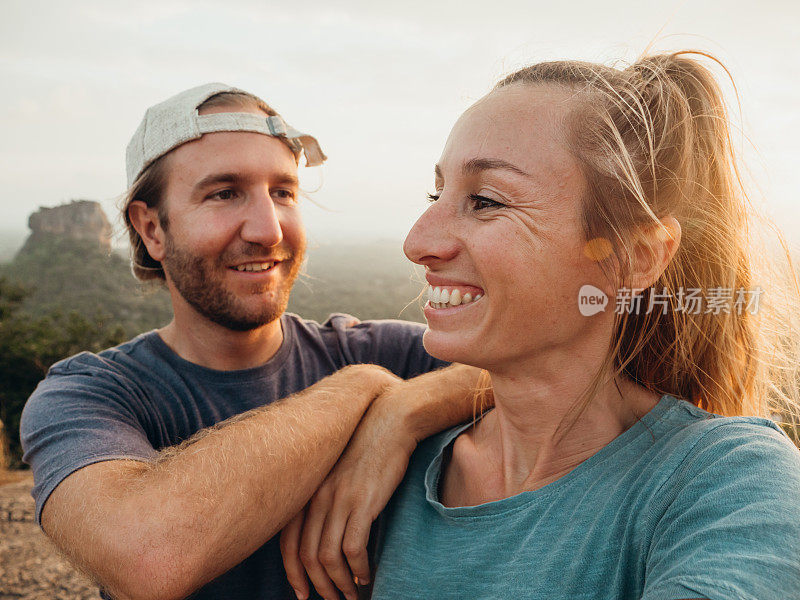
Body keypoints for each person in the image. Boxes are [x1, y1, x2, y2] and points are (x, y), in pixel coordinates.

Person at [281, 52, 800, 599]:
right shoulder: (381, 481)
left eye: (485, 201)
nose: (419, 243)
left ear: (637, 256)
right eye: (437, 195)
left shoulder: (728, 483)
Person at [19, 83, 487, 600]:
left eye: (284, 192)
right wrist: (363, 390)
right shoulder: (88, 395)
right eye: (223, 193)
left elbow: (550, 363)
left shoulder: (382, 350)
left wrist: (410, 408)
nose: (268, 229)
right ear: (152, 228)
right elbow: (148, 557)